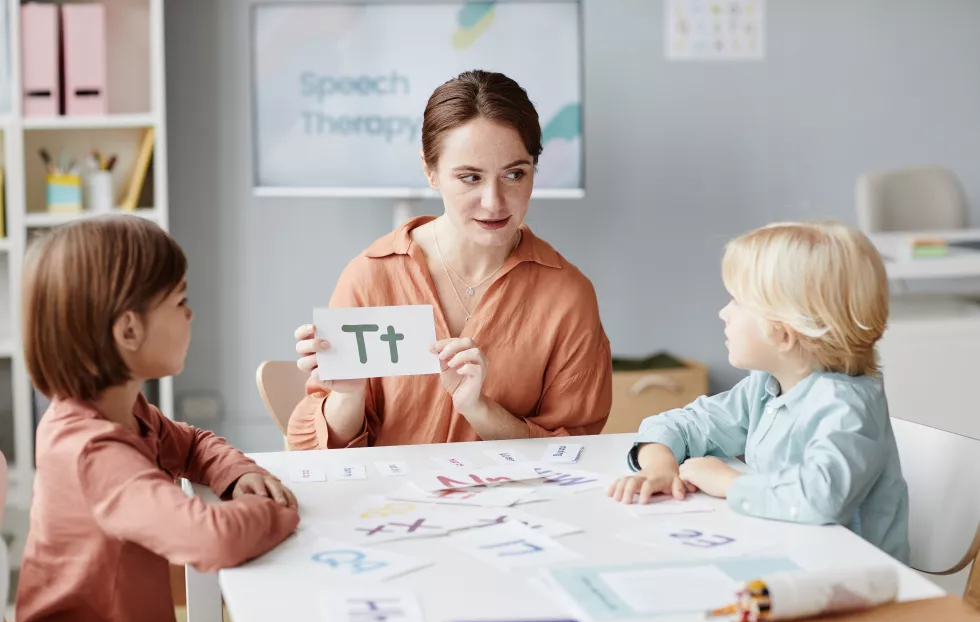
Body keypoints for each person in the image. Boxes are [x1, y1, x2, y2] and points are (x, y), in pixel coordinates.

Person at [15, 217, 300, 622]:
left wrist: (236, 474)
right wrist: (273, 508)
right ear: (128, 330)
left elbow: (192, 443)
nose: (189, 313)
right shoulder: (91, 452)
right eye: (179, 300)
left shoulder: (122, 411)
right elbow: (212, 538)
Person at [289, 70, 612, 449]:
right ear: (430, 171)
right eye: (470, 178)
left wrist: (479, 409)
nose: (494, 202)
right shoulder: (370, 277)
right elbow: (311, 454)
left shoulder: (568, 295)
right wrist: (348, 396)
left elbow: (576, 449)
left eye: (514, 174)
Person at [608, 221, 910, 562]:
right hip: (788, 555)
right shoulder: (767, 386)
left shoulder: (846, 406)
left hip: (853, 583)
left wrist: (728, 483)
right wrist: (658, 464)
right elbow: (687, 423)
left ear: (782, 332)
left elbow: (820, 497)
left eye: (737, 301)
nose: (723, 312)